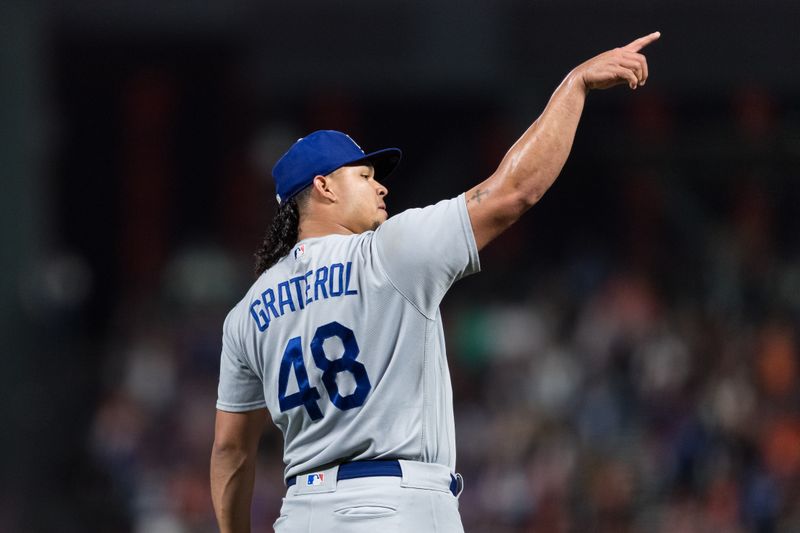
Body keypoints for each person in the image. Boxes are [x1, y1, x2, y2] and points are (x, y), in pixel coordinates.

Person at [211, 31, 661, 533]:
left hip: (301, 513)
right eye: (362, 176)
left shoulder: (246, 314)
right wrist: (574, 86)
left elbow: (231, 453)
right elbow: (512, 192)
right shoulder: (388, 252)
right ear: (323, 186)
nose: (380, 184)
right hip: (399, 505)